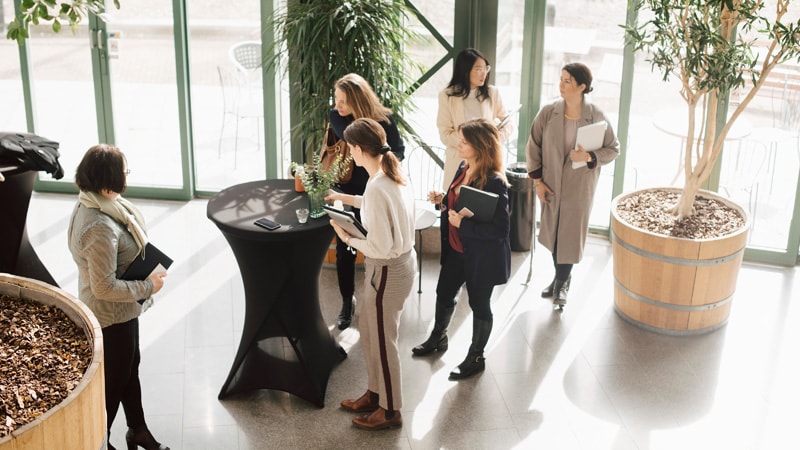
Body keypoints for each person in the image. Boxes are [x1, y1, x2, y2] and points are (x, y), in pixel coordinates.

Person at [67, 144, 169, 450]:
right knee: (114, 384)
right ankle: (99, 441)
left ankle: (138, 429)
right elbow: (104, 287)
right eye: (124, 171)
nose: (126, 176)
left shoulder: (94, 202)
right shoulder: (99, 226)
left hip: (121, 312)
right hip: (111, 316)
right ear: (109, 177)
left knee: (129, 370)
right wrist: (148, 287)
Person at [326, 118, 415, 430]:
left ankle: (390, 411)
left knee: (384, 342)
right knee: (369, 329)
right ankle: (376, 394)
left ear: (360, 149)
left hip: (387, 270)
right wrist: (344, 199)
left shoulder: (378, 184)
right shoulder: (390, 174)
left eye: (350, 148)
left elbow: (379, 245)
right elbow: (378, 205)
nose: (349, 153)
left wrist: (345, 236)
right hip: (399, 266)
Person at [412, 118, 511, 380]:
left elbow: (501, 230)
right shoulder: (463, 167)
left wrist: (462, 225)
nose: (459, 143)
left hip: (481, 257)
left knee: (479, 305)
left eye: (464, 141)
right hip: (457, 249)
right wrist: (444, 201)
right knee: (444, 292)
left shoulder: (495, 182)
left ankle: (476, 357)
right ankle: (438, 337)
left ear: (481, 145)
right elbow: (462, 204)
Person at [525, 62, 620, 307]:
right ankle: (560, 280)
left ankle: (562, 283)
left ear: (582, 87)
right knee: (554, 235)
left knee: (569, 236)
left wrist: (589, 156)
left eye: (567, 81)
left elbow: (613, 149)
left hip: (580, 188)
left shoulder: (596, 115)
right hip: (551, 184)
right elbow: (533, 145)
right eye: (561, 79)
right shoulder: (548, 112)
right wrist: (538, 182)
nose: (561, 85)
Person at [329, 73, 406, 330]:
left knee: (379, 245)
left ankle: (381, 297)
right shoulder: (337, 117)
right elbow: (351, 137)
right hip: (350, 189)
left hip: (377, 190)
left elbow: (399, 152)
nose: (337, 106)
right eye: (336, 99)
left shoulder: (385, 120)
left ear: (358, 99)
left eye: (343, 101)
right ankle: (346, 301)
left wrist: (381, 168)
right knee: (345, 252)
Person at [437, 48, 512, 191]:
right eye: (478, 69)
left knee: (489, 201)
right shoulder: (447, 96)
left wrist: (491, 141)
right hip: (458, 163)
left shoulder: (492, 93)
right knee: (457, 202)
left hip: (488, 163)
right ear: (465, 71)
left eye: (485, 68)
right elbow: (445, 134)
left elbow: (508, 123)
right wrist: (471, 144)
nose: (484, 73)